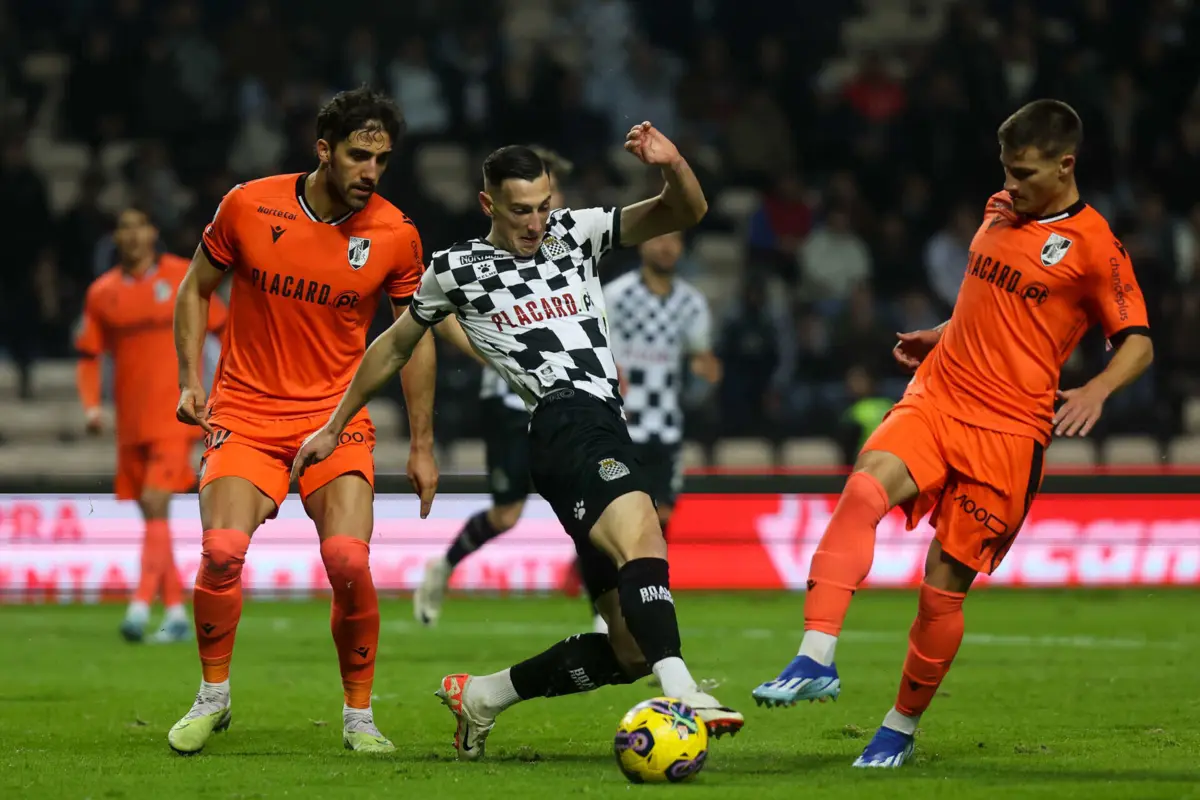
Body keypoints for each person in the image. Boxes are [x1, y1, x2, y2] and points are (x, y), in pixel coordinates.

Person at [293, 126, 745, 761]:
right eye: (520, 211)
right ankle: (684, 691)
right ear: (489, 206)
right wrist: (335, 425)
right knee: (643, 532)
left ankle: (484, 696)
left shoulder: (577, 232)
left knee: (627, 648)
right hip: (563, 420)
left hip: (599, 425)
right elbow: (394, 344)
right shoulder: (456, 270)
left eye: (543, 206)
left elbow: (687, 211)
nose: (536, 223)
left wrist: (673, 163)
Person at [752, 99, 1154, 768]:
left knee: (942, 586)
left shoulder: (1094, 247)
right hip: (940, 395)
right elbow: (992, 292)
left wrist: (1097, 388)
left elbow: (1137, 340)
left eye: (1024, 172)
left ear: (1065, 165)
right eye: (1006, 169)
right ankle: (815, 656)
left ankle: (900, 727)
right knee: (862, 491)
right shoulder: (1001, 209)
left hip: (1008, 433)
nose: (1011, 183)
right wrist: (944, 332)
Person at [167, 87, 439, 756]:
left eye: (382, 158)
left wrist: (424, 444)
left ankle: (359, 716)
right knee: (223, 553)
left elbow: (416, 337)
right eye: (358, 155)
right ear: (324, 151)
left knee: (348, 561)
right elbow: (195, 287)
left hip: (333, 419)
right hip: (246, 412)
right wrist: (189, 380)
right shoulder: (248, 205)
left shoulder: (395, 234)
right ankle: (213, 697)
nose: (370, 172)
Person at [414, 147, 574, 627]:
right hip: (507, 402)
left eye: (549, 205)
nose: (543, 218)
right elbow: (436, 318)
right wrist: (488, 354)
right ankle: (442, 567)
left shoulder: (570, 256)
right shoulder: (481, 261)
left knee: (589, 504)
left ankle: (606, 617)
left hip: (565, 402)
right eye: (529, 207)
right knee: (506, 516)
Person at [75, 205, 227, 644]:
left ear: (152, 232)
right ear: (116, 239)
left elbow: (223, 326)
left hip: (175, 415)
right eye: (124, 228)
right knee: (152, 516)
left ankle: (140, 608)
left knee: (155, 502)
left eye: (141, 225)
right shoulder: (102, 293)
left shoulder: (183, 274)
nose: (134, 235)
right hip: (131, 421)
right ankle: (177, 611)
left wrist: (218, 388)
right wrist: (90, 407)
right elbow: (89, 356)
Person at [600, 230, 721, 636]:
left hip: (666, 425)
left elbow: (702, 361)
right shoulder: (616, 295)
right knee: (621, 519)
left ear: (683, 247)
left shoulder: (691, 302)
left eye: (674, 239)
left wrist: (706, 376)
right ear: (642, 243)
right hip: (622, 425)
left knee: (661, 517)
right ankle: (610, 609)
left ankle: (639, 603)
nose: (666, 245)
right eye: (659, 238)